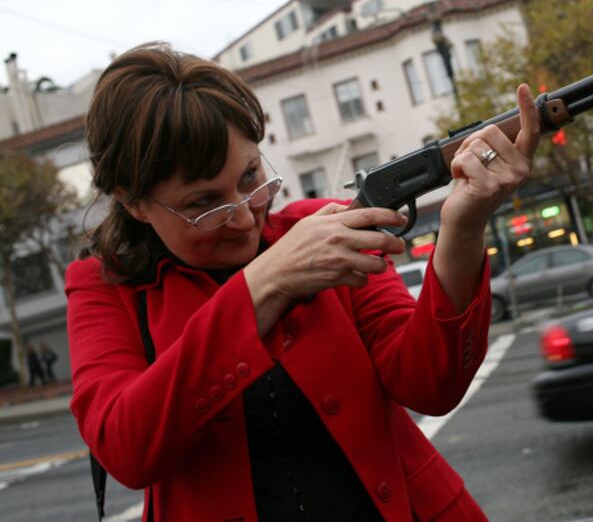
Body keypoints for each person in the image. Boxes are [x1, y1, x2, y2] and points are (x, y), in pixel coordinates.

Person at [66, 42, 540, 521]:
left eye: (251, 176)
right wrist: (264, 283)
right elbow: (126, 448)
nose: (245, 218)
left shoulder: (320, 226)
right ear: (133, 202)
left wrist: (463, 230)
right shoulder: (103, 287)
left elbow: (430, 385)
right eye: (204, 205)